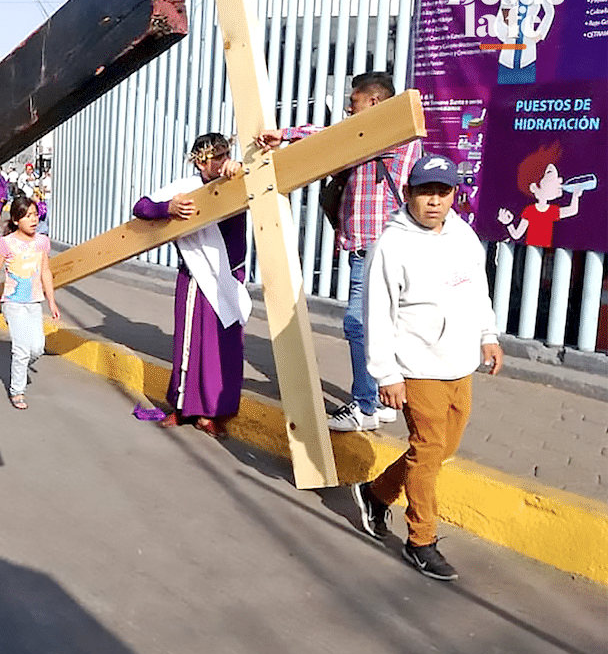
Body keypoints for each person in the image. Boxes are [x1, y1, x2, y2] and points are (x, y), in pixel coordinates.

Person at [353, 154, 503, 580]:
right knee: (429, 447)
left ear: (454, 195)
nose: (434, 202)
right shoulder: (392, 245)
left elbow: (478, 292)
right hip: (416, 365)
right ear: (408, 194)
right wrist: (386, 373)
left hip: (459, 362)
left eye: (443, 193)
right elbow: (377, 313)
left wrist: (487, 336)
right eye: (425, 193)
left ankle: (376, 493)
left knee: (440, 449)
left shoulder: (464, 237)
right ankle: (420, 540)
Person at [255, 71, 422, 432]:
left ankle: (363, 405)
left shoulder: (387, 134)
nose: (348, 107)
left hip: (376, 246)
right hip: (374, 244)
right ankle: (379, 401)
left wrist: (286, 135)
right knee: (382, 325)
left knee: (358, 324)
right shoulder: (378, 137)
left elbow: (330, 140)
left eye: (354, 101)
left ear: (374, 102)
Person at [133, 133, 247, 438]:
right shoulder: (185, 188)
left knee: (223, 346)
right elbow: (142, 207)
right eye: (217, 156)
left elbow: (258, 178)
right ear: (200, 161)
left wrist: (239, 171)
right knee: (190, 342)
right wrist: (167, 208)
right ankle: (184, 408)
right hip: (196, 274)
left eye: (226, 154)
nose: (223, 161)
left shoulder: (238, 179)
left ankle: (212, 411)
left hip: (230, 275)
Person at [0, 195, 59, 410]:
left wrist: (52, 302)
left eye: (35, 215)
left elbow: (45, 271)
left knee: (37, 348)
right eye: (27, 216)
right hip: (13, 303)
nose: (33, 220)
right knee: (21, 350)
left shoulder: (42, 242)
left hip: (34, 303)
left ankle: (21, 367)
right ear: (17, 220)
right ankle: (17, 390)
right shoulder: (6, 243)